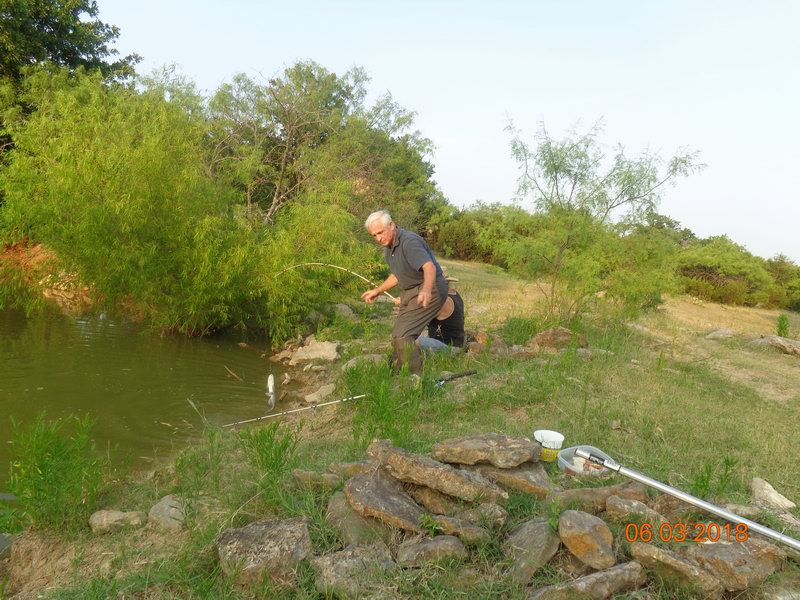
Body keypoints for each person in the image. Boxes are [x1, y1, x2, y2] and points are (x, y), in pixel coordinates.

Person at [361, 210, 447, 373]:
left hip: (430, 288)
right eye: (374, 235)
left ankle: (413, 378)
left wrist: (427, 291)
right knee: (398, 333)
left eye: (380, 232)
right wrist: (378, 291)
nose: (378, 238)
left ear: (392, 225)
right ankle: (397, 370)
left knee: (403, 333)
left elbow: (428, 267)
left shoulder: (409, 241)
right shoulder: (389, 248)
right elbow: (397, 274)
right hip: (411, 291)